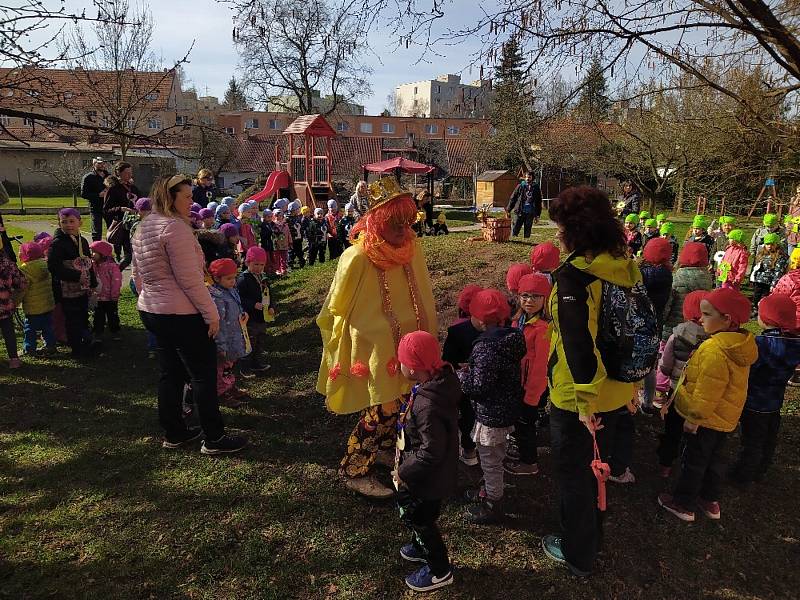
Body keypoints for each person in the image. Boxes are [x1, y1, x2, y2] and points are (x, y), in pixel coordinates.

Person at [316, 176, 437, 498]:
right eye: (395, 223)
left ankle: (381, 448)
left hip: (408, 341)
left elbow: (423, 292)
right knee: (384, 406)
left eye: (408, 222)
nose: (403, 230)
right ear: (376, 221)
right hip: (374, 345)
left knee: (401, 403)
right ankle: (354, 468)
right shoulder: (357, 257)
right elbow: (336, 307)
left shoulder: (412, 248)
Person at [542, 185, 641, 577]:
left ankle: (578, 552)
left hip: (580, 400)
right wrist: (634, 385)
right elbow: (635, 331)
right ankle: (594, 534)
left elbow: (578, 346)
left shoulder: (574, 278)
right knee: (597, 468)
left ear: (574, 230)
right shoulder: (624, 267)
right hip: (617, 391)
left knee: (576, 476)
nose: (556, 234)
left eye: (559, 227)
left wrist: (584, 403)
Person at [132, 174, 246, 455]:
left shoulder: (145, 226)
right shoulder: (175, 229)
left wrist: (150, 298)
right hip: (180, 312)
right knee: (203, 375)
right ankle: (214, 437)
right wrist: (211, 315)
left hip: (153, 309)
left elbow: (137, 274)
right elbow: (190, 279)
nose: (192, 200)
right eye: (187, 196)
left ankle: (175, 432)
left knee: (170, 373)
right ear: (170, 197)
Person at [658, 288, 757, 522]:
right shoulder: (739, 344)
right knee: (714, 459)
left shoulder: (715, 350)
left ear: (727, 319)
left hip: (704, 419)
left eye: (706, 314)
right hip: (724, 418)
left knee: (693, 461)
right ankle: (709, 499)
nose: (700, 319)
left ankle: (684, 504)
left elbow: (707, 391)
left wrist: (693, 419)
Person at [393, 330, 459, 593]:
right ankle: (420, 547)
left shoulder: (428, 406)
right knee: (422, 516)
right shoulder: (435, 386)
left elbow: (431, 452)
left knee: (419, 518)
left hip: (426, 479)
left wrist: (404, 472)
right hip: (431, 475)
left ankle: (439, 570)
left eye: (401, 361)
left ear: (411, 367)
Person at [458, 288, 526, 524]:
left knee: (490, 461)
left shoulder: (486, 347)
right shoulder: (512, 337)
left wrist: (462, 376)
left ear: (479, 319)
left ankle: (493, 502)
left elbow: (478, 386)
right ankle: (489, 488)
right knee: (496, 454)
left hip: (491, 415)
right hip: (507, 407)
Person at [729, 293, 800, 485]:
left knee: (751, 442)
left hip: (754, 401)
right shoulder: (795, 344)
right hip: (775, 401)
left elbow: (749, 368)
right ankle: (762, 469)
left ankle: (743, 476)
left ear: (766, 318)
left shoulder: (761, 344)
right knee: (769, 438)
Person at [655, 291, 711, 476]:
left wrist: (667, 375)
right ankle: (687, 463)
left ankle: (665, 465)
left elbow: (665, 365)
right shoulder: (713, 339)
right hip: (700, 394)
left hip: (676, 391)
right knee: (695, 433)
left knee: (672, 430)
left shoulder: (677, 335)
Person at [505, 273, 551, 477]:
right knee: (521, 424)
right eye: (524, 296)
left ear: (545, 299)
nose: (529, 301)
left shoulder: (542, 329)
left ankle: (529, 462)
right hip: (517, 385)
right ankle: (522, 451)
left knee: (526, 426)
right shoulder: (518, 322)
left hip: (529, 389)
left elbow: (540, 367)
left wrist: (532, 395)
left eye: (535, 296)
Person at [47, 208, 97, 358]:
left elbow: (88, 263)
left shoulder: (82, 240)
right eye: (64, 222)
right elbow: (54, 267)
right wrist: (76, 276)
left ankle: (85, 341)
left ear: (79, 222)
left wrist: (92, 281)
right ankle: (77, 349)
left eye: (71, 221)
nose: (68, 225)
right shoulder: (57, 244)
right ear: (59, 223)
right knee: (72, 318)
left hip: (82, 287)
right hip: (66, 289)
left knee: (82, 315)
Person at [442, 285, 483, 466]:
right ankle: (475, 449)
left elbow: (447, 360)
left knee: (464, 415)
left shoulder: (456, 330)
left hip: (461, 382)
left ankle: (468, 451)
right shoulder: (493, 327)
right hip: (484, 382)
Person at [638, 237, 674, 412]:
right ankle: (647, 401)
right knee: (650, 366)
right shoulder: (667, 272)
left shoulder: (650, 274)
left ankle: (634, 400)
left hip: (641, 322)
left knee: (638, 362)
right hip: (656, 323)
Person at [208, 258, 251, 407]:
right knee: (221, 369)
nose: (233, 281)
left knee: (230, 366)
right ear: (216, 278)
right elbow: (218, 323)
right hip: (224, 340)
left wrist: (242, 313)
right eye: (228, 278)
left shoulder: (231, 291)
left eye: (234, 277)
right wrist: (221, 345)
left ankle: (230, 387)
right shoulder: (216, 297)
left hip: (234, 335)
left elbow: (237, 307)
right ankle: (221, 393)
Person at [661, 242, 713, 343]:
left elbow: (668, 303)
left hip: (674, 326)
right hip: (696, 327)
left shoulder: (678, 278)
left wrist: (662, 319)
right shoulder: (707, 278)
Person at [236, 246, 274, 377]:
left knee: (260, 340)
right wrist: (252, 304)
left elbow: (269, 293)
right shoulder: (243, 279)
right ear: (247, 263)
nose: (258, 267)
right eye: (255, 264)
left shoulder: (263, 277)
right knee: (249, 342)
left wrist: (271, 306)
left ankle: (256, 363)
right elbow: (239, 298)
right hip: (250, 318)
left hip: (262, 317)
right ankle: (245, 367)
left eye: (261, 265)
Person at [17, 242, 56, 356]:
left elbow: (22, 290)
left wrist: (15, 302)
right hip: (48, 304)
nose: (19, 255)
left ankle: (29, 348)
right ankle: (50, 345)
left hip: (33, 307)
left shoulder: (25, 270)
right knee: (48, 327)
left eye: (20, 253)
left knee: (30, 329)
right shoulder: (45, 265)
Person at [773, 254, 800, 386]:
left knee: (788, 343)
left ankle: (787, 369)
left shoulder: (789, 278)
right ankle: (797, 372)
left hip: (792, 319)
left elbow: (778, 296)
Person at [89, 240, 122, 340]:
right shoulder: (93, 265)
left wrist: (114, 295)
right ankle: (98, 332)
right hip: (98, 297)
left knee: (112, 315)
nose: (92, 254)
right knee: (98, 316)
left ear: (102, 253)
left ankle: (115, 331)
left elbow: (116, 282)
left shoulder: (112, 266)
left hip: (110, 297)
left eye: (94, 252)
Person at [750, 233, 788, 314]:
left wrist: (774, 284)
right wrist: (753, 277)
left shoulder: (780, 257)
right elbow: (756, 267)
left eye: (772, 244)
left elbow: (779, 272)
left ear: (777, 244)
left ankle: (763, 312)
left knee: (765, 298)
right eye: (767, 244)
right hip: (759, 280)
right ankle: (755, 309)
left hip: (769, 282)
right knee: (756, 296)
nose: (769, 246)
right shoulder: (762, 254)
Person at [0, 249, 25, 368]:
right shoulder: (7, 264)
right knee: (8, 331)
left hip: (4, 304)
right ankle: (14, 359)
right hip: (5, 305)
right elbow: (20, 282)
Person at [80, 157, 110, 241]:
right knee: (96, 231)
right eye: (99, 163)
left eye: (103, 163)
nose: (101, 165)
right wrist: (98, 195)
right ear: (94, 164)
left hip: (109, 207)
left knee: (112, 229)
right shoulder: (88, 177)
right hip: (95, 207)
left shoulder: (109, 176)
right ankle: (96, 251)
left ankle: (114, 251)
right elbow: (83, 194)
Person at [507, 171, 543, 238]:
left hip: (530, 212)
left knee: (528, 229)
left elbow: (538, 202)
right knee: (515, 228)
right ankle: (514, 240)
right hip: (519, 211)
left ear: (532, 178)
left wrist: (537, 215)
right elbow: (513, 198)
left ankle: (526, 240)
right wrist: (508, 210)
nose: (527, 179)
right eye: (526, 177)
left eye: (529, 177)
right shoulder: (520, 186)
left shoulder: (536, 187)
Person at [271, 209, 291, 275]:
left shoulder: (285, 225)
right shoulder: (273, 225)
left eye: (281, 216)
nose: (279, 217)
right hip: (276, 245)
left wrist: (290, 241)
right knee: (276, 257)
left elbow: (288, 233)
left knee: (284, 257)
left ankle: (283, 269)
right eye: (277, 216)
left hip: (284, 244)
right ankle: (277, 269)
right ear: (274, 216)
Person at [287, 200, 306, 268]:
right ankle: (290, 263)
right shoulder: (288, 219)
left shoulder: (298, 218)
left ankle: (301, 261)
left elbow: (300, 227)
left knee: (299, 251)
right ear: (293, 210)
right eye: (297, 209)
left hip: (298, 238)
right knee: (291, 252)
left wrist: (302, 235)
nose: (298, 211)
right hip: (292, 239)